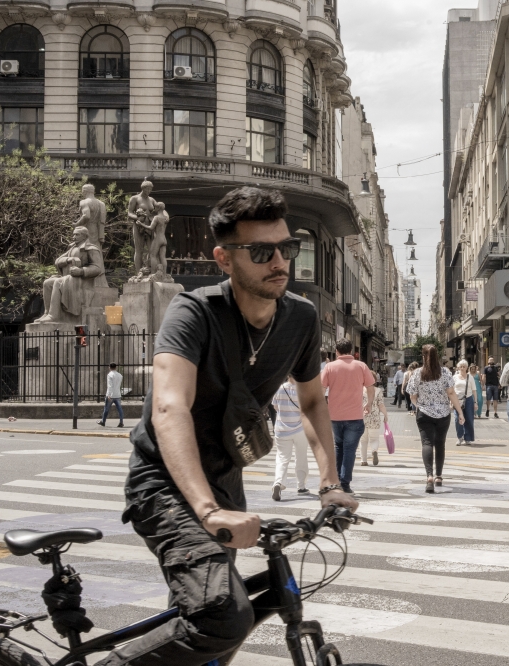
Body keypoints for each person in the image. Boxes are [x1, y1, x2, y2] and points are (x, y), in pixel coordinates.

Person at [108, 187, 356, 665]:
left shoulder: (301, 319)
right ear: (224, 258)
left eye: (287, 248)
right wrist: (206, 510)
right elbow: (169, 408)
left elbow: (311, 402)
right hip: (164, 486)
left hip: (225, 483)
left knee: (207, 623)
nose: (279, 261)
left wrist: (331, 484)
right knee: (222, 614)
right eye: (262, 252)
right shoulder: (193, 312)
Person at [321, 338, 375, 495]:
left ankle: (337, 481)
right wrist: (369, 403)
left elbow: (321, 389)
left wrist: (323, 407)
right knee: (350, 449)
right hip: (355, 415)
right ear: (351, 351)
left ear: (336, 351)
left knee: (339, 447)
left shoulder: (330, 367)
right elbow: (370, 388)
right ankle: (345, 483)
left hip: (334, 416)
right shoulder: (361, 366)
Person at [407, 344, 464, 493]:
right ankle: (439, 476)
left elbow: (412, 396)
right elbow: (451, 393)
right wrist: (460, 412)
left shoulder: (417, 373)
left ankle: (429, 476)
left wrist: (419, 405)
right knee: (440, 444)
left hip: (424, 413)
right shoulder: (445, 372)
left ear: (423, 356)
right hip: (443, 414)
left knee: (427, 443)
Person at [270, 377, 310, 500]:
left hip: (282, 429)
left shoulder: (279, 388)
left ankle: (278, 482)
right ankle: (301, 486)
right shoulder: (303, 390)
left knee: (282, 458)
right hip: (300, 429)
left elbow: (275, 407)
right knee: (301, 457)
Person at [361, 372, 387, 466]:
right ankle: (374, 451)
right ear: (375, 380)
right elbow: (381, 405)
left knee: (363, 440)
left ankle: (363, 460)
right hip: (375, 418)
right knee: (374, 438)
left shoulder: (360, 390)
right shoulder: (378, 391)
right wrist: (385, 415)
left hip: (362, 417)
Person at [453, 360, 476, 446]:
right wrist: (451, 402)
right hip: (457, 400)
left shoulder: (470, 377)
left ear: (467, 368)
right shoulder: (454, 377)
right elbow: (451, 390)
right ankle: (459, 437)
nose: (462, 368)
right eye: (461, 366)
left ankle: (468, 438)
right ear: (458, 367)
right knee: (457, 419)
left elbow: (474, 390)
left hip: (468, 399)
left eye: (464, 366)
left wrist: (475, 402)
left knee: (469, 418)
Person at [97, 362, 124, 428]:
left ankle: (103, 421)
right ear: (116, 367)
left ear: (109, 367)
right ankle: (121, 422)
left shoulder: (110, 375)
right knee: (119, 409)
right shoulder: (120, 375)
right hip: (117, 394)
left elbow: (110, 386)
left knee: (106, 409)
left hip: (111, 395)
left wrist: (109, 394)